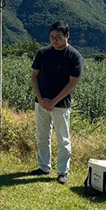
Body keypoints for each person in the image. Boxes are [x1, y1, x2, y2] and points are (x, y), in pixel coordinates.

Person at [30, 21, 84, 185]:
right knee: (42, 136)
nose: (54, 41)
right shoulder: (43, 53)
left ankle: (62, 171)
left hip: (61, 105)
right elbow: (34, 76)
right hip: (41, 102)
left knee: (63, 139)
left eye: (58, 37)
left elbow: (72, 83)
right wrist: (40, 99)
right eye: (52, 37)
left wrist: (53, 101)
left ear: (67, 36)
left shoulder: (74, 56)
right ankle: (44, 167)